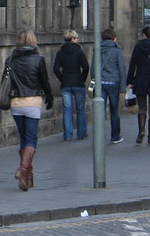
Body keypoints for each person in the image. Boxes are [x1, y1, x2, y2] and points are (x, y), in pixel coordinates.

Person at [6, 29, 54, 191]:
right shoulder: (38, 60)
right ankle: (23, 169)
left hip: (16, 102)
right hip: (33, 102)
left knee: (23, 139)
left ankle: (27, 178)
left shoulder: (10, 60)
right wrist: (50, 97)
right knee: (32, 140)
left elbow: (6, 82)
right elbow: (45, 81)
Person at [52, 29, 90, 140]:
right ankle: (81, 133)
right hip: (78, 82)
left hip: (66, 83)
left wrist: (62, 78)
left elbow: (56, 69)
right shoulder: (79, 52)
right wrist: (82, 78)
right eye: (77, 38)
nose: (78, 40)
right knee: (80, 108)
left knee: (67, 109)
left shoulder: (60, 52)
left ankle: (68, 135)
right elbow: (86, 67)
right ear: (73, 39)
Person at [94, 28, 127, 144]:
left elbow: (93, 68)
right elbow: (122, 69)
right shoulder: (117, 51)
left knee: (100, 111)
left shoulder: (97, 49)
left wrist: (94, 82)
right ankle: (115, 136)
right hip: (113, 83)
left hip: (100, 83)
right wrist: (123, 87)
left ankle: (99, 136)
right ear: (114, 38)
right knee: (114, 110)